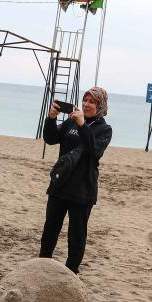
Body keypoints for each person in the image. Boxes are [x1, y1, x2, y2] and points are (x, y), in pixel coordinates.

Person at [38, 87, 113, 274]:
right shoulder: (71, 121)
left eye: (92, 102)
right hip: (60, 183)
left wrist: (82, 125)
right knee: (50, 229)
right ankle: (41, 265)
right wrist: (51, 118)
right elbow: (50, 138)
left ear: (100, 106)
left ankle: (71, 271)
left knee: (77, 234)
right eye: (85, 100)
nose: (86, 104)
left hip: (82, 189)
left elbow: (94, 150)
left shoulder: (104, 129)